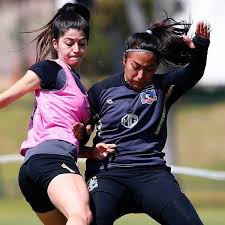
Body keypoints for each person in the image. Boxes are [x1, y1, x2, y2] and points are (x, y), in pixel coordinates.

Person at [80, 17, 210, 225]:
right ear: (124, 60)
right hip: (107, 174)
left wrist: (201, 48)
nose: (141, 75)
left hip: (151, 173)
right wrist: (81, 135)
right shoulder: (100, 91)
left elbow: (193, 73)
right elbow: (80, 137)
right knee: (90, 220)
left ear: (157, 67)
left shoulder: (164, 87)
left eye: (149, 69)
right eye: (136, 66)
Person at [0, 3, 115, 225]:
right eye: (69, 43)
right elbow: (5, 98)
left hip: (39, 168)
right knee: (82, 216)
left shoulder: (79, 87)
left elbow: (63, 135)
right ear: (56, 43)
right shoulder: (50, 69)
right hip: (50, 162)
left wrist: (90, 152)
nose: (76, 49)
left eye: (82, 44)